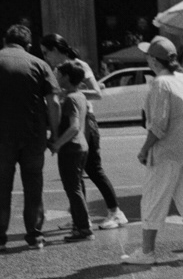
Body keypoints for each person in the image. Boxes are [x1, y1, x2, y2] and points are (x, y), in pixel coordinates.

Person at [120, 37, 183, 264]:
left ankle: (147, 252)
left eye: (148, 57)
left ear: (154, 60)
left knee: (153, 200)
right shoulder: (182, 78)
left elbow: (159, 125)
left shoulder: (161, 83)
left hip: (166, 153)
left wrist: (144, 150)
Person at [40, 33, 127, 230]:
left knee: (93, 168)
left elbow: (97, 93)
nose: (45, 57)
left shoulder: (79, 65)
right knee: (76, 173)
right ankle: (81, 217)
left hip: (85, 120)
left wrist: (68, 92)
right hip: (69, 119)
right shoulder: (56, 70)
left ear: (56, 50)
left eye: (46, 52)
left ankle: (115, 212)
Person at [0, 24, 59, 251]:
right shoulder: (40, 64)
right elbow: (53, 103)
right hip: (33, 136)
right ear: (29, 45)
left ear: (5, 40)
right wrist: (54, 134)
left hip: (2, 138)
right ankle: (35, 236)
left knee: (1, 188)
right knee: (34, 186)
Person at [48, 60, 94, 242]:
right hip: (81, 147)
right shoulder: (80, 96)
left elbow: (74, 126)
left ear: (66, 77)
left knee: (72, 189)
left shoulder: (70, 99)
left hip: (71, 148)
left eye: (58, 74)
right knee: (77, 187)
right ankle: (80, 225)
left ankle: (83, 229)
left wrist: (57, 144)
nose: (56, 77)